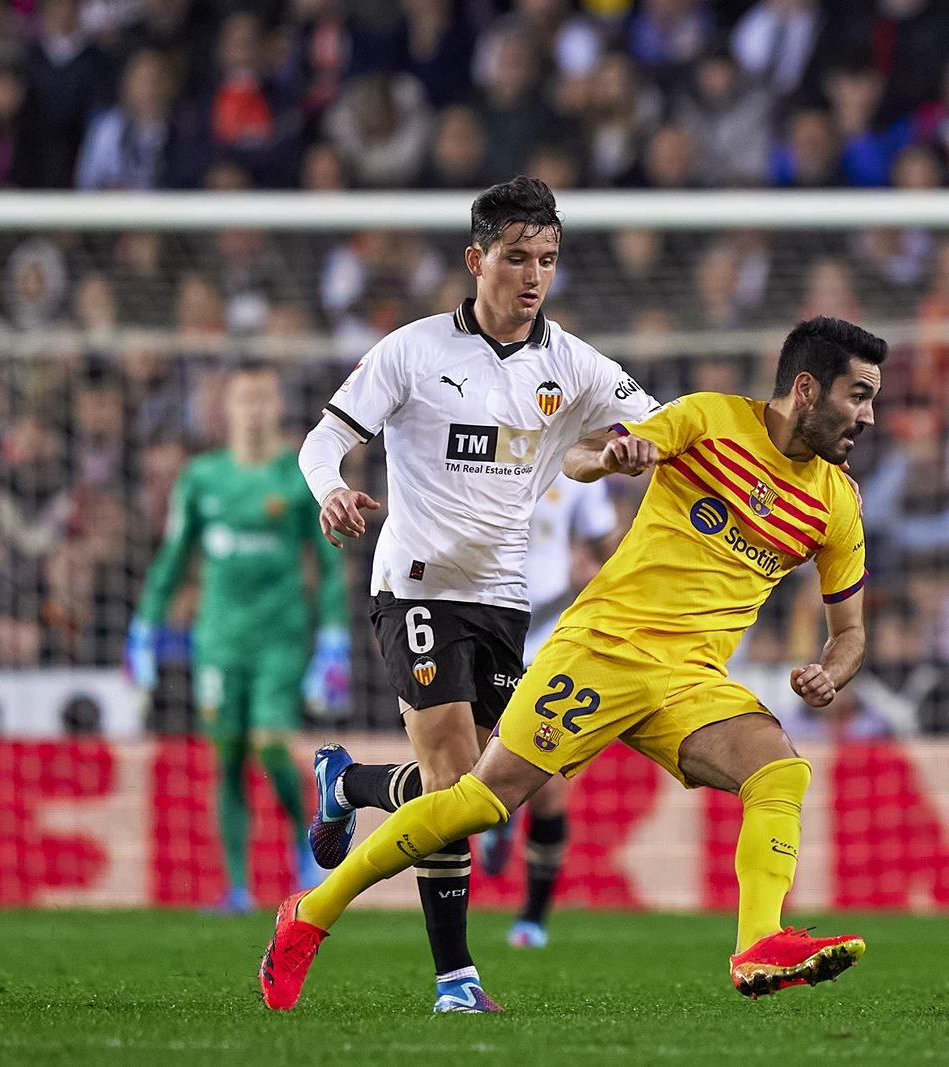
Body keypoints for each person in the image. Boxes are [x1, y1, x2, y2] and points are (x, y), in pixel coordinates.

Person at [260, 316, 884, 1011]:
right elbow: (584, 457)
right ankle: (311, 911)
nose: (868, 414)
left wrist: (832, 667)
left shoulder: (837, 502)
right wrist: (615, 458)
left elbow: (850, 631)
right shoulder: (709, 418)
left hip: (689, 678)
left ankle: (758, 944)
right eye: (857, 395)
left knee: (780, 770)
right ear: (806, 388)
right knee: (477, 800)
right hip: (603, 650)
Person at [294, 176, 660, 1013]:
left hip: (503, 598)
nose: (534, 276)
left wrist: (627, 451)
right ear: (476, 259)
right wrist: (332, 491)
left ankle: (347, 784)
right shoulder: (413, 351)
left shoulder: (573, 363)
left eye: (549, 260)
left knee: (486, 796)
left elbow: (653, 422)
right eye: (517, 257)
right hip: (416, 585)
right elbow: (326, 439)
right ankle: (456, 980)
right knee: (456, 775)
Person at [128, 364, 348, 915]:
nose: (253, 409)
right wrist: (145, 626)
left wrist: (335, 638)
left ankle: (307, 842)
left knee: (270, 741)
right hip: (218, 640)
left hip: (280, 635)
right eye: (243, 398)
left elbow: (327, 562)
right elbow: (174, 559)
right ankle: (236, 888)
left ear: (277, 407)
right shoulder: (202, 479)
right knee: (226, 756)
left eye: (263, 398)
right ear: (226, 408)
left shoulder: (297, 476)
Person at [476, 472, 624, 949]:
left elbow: (611, 553)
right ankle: (500, 819)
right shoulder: (490, 449)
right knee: (477, 774)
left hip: (550, 641)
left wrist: (596, 573)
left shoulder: (579, 469)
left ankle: (533, 918)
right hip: (485, 629)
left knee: (549, 785)